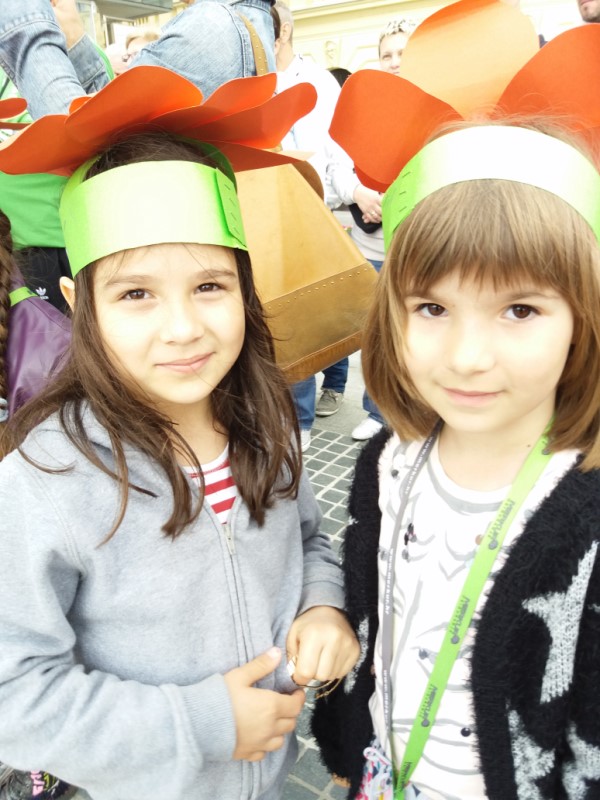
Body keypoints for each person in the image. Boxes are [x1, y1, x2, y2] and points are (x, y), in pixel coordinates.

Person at [0, 75, 359, 800]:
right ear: (78, 304)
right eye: (136, 294)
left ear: (246, 290)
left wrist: (323, 603)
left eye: (210, 286)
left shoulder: (266, 426)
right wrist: (203, 723)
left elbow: (309, 540)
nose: (183, 328)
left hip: (269, 778)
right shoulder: (45, 478)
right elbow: (15, 693)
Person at [311, 112, 600, 799]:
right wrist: (345, 736)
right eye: (433, 309)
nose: (469, 358)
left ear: (584, 315)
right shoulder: (389, 461)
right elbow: (374, 614)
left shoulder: (587, 514)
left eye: (520, 310)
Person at [329, 19, 413, 442]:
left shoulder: (436, 105)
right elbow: (339, 162)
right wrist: (359, 194)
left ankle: (418, 413)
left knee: (416, 332)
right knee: (377, 333)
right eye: (386, 55)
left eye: (403, 53)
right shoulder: (367, 109)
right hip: (371, 244)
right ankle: (378, 414)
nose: (394, 62)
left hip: (416, 246)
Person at [274, 0, 349, 449]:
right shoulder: (252, 82)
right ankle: (290, 415)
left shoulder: (319, 82)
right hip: (271, 212)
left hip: (315, 208)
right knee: (288, 318)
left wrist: (341, 202)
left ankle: (311, 410)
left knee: (316, 312)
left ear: (280, 32)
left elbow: (336, 150)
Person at [0, 0, 276, 120]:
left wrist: (24, 24)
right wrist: (74, 42)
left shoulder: (213, 27)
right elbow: (125, 129)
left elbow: (91, 148)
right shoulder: (239, 25)